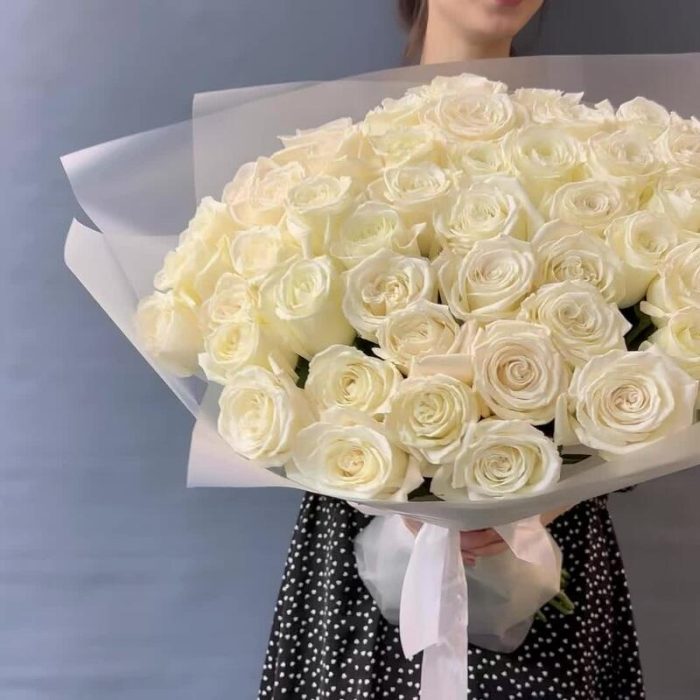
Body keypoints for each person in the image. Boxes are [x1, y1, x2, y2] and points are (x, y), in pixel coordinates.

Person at [259, 1, 645, 698]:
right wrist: (398, 490)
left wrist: (535, 500)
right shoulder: (336, 163)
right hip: (367, 552)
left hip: (546, 549)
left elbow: (656, 371)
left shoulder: (593, 162)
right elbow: (275, 365)